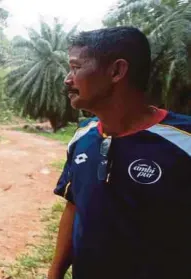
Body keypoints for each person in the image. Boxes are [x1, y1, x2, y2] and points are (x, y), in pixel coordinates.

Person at [48, 27, 191, 279]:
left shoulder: (184, 142)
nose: (67, 79)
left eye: (76, 67)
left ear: (116, 71)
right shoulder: (83, 137)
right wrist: (54, 274)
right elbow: (74, 205)